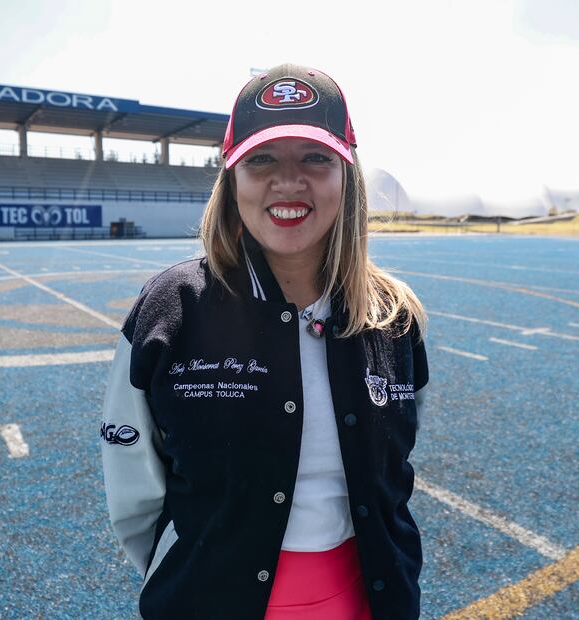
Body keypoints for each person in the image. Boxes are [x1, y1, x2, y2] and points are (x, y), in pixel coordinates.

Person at [99, 63, 429, 619]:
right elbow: (133, 496)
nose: (289, 181)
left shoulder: (393, 318)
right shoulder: (168, 310)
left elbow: (396, 478)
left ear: (347, 175)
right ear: (232, 178)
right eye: (262, 159)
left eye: (316, 158)